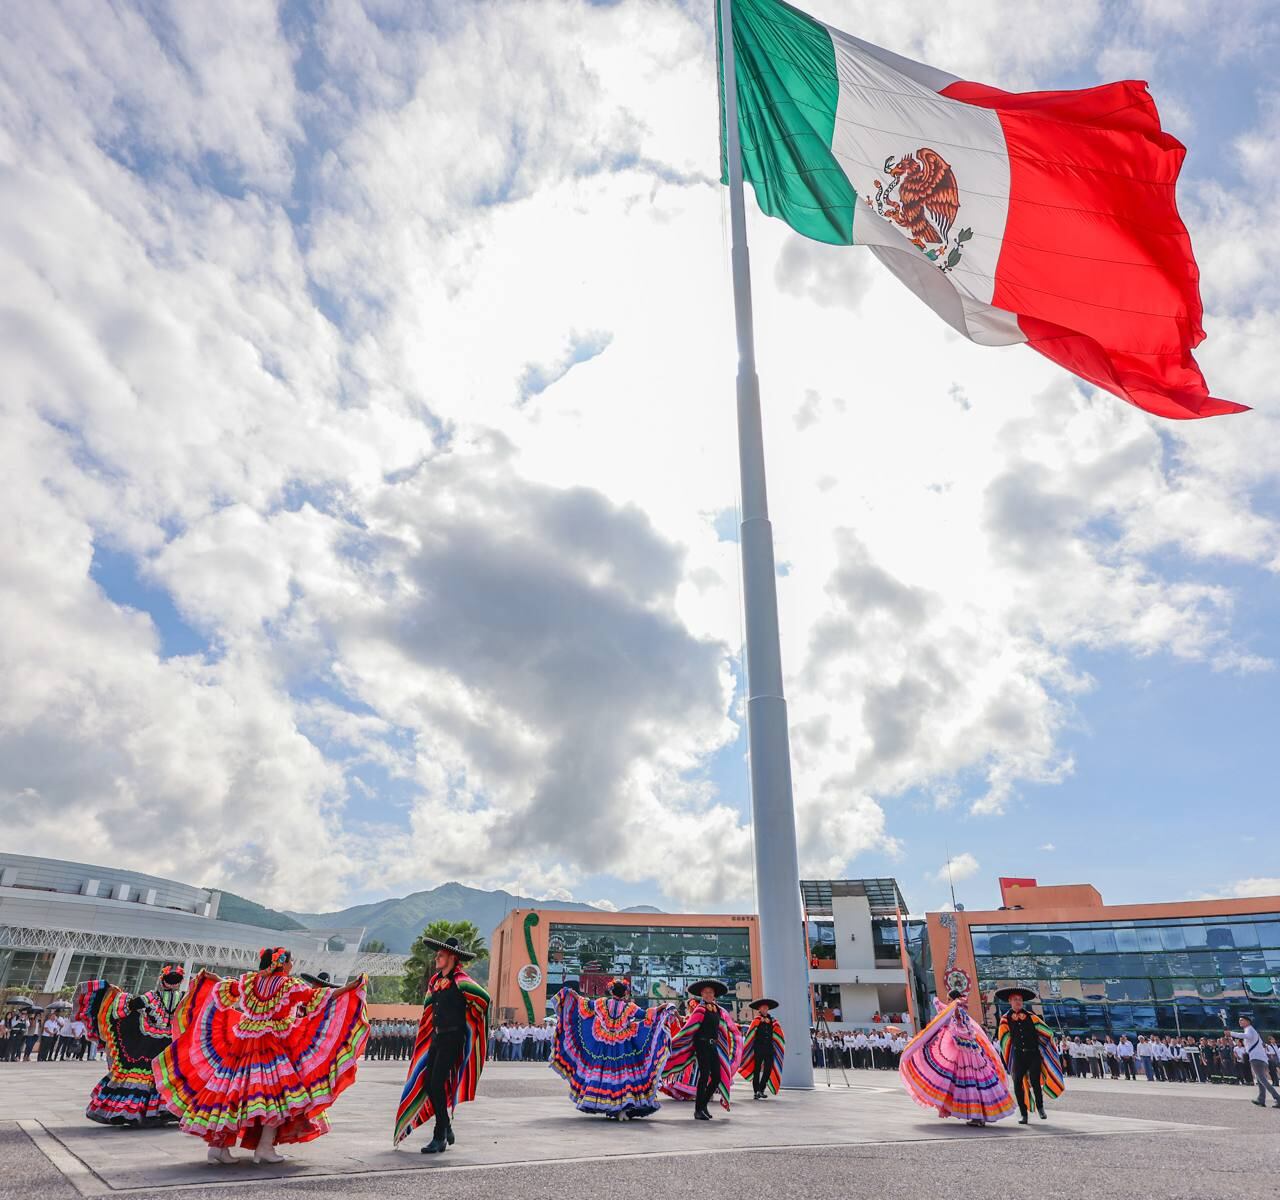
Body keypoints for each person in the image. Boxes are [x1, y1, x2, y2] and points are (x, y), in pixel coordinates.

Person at [154, 948, 369, 1165]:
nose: (292, 965)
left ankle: (217, 1147)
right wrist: (351, 987)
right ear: (281, 964)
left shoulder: (251, 982)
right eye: (290, 961)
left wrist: (214, 978)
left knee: (231, 1093)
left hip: (243, 1043)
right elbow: (316, 995)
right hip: (272, 1045)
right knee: (277, 1097)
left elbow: (229, 987)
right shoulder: (287, 985)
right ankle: (264, 1147)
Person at [394, 935, 490, 1155]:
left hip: (453, 1038)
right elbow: (429, 1010)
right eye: (437, 954)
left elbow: (483, 998)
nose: (436, 957)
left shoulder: (461, 980)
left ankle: (440, 1135)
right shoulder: (436, 981)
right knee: (429, 1084)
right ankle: (445, 1126)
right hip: (437, 1038)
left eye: (440, 955)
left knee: (436, 1083)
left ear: (452, 957)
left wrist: (470, 1020)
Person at [73, 964, 187, 1125]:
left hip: (150, 1043)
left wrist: (117, 995)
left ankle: (135, 1109)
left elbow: (127, 1008)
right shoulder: (185, 997)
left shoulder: (152, 996)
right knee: (171, 1074)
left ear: (163, 981)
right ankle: (167, 1110)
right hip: (173, 1043)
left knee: (143, 1073)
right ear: (179, 982)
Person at [549, 977, 674, 1119]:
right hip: (623, 1045)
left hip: (603, 1043)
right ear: (625, 993)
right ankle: (622, 1106)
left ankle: (604, 1103)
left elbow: (585, 1004)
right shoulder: (629, 1007)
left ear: (611, 990)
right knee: (624, 1074)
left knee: (600, 1072)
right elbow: (646, 1015)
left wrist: (574, 995)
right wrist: (661, 1008)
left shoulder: (601, 1002)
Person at [899, 987, 1014, 1128]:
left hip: (963, 1050)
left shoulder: (955, 1008)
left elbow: (945, 1020)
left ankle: (977, 1115)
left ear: (951, 999)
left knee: (967, 1082)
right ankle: (981, 1114)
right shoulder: (962, 1009)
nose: (947, 1001)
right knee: (977, 1081)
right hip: (971, 1049)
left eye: (948, 999)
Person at [661, 980, 743, 1120]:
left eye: (710, 992)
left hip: (714, 1046)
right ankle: (698, 1110)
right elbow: (689, 1028)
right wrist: (674, 1042)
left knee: (717, 1077)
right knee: (704, 1076)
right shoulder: (700, 1009)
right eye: (705, 992)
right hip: (702, 1045)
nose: (708, 994)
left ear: (714, 994)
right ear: (701, 994)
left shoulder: (719, 1011)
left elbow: (724, 1029)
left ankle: (703, 1105)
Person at [995, 986, 1064, 1124]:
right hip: (1018, 1056)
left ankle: (1040, 1107)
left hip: (1033, 1054)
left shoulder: (1032, 1017)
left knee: (1035, 1082)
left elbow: (1046, 1032)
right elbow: (1004, 1039)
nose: (1018, 1002)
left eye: (1020, 1000)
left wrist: (1048, 1043)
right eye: (1015, 999)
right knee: (1018, 1084)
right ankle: (1023, 1114)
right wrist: (1009, 1055)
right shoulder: (1005, 1019)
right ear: (1010, 1001)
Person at [739, 998, 786, 1100]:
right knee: (756, 1070)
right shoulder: (756, 1021)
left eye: (766, 1007)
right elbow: (750, 1035)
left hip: (769, 1048)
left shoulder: (773, 1021)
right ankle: (756, 1091)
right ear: (759, 1009)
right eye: (763, 1007)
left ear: (768, 1009)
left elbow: (778, 1034)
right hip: (758, 1048)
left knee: (768, 1069)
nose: (765, 1009)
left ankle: (761, 1089)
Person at [1232, 1016, 1280, 1108]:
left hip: (1256, 1058)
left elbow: (1247, 1036)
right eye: (1239, 1020)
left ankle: (1277, 1098)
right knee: (1260, 1079)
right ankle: (1261, 1099)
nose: (1240, 1022)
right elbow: (1261, 1044)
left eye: (1242, 1020)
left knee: (1262, 1079)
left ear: (1248, 1022)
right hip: (1261, 1058)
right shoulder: (1253, 1031)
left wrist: (1231, 1033)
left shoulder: (1249, 1030)